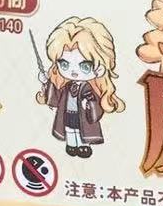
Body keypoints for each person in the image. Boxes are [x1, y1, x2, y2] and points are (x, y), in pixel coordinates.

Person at [37, 16, 125, 158]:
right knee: (70, 131)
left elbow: (96, 105)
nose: (73, 72)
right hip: (67, 114)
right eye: (64, 64)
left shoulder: (89, 88)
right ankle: (72, 145)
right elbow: (56, 96)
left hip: (82, 116)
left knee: (81, 131)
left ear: (100, 66)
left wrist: (89, 104)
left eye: (85, 66)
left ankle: (83, 146)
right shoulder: (67, 86)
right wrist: (47, 83)